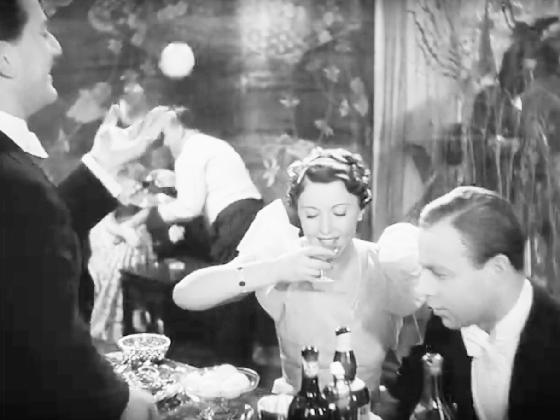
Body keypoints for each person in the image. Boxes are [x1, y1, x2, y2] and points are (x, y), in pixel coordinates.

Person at [0, 1, 169, 418]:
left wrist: (102, 166)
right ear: (4, 58)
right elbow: (43, 331)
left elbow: (21, 251)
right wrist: (116, 401)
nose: (56, 47)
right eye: (42, 32)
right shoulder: (14, 181)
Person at [173, 147, 422, 392]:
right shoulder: (283, 258)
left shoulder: (386, 265)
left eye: (339, 213)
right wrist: (275, 270)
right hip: (296, 408)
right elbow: (184, 294)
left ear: (361, 211)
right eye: (312, 215)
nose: (325, 229)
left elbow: (412, 354)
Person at [385, 186, 560, 420]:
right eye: (423, 270)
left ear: (497, 269)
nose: (423, 288)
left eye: (440, 274)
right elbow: (409, 399)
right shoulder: (445, 322)